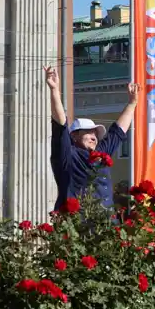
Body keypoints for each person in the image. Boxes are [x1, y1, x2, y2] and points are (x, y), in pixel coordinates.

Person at [45, 66, 139, 211]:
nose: (94, 136)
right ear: (74, 135)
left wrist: (132, 104)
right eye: (88, 132)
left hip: (105, 225)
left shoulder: (100, 154)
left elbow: (118, 131)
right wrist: (54, 90)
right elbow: (60, 124)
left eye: (95, 133)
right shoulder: (67, 155)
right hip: (77, 226)